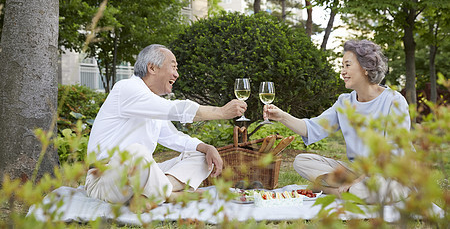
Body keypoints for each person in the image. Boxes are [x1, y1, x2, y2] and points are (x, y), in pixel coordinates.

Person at [85, 44, 247, 209]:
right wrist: (220, 112)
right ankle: (171, 195)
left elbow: (173, 137)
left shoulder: (152, 101)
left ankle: (155, 194)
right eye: (174, 66)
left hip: (138, 178)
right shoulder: (126, 88)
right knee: (136, 152)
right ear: (152, 68)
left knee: (201, 157)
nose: (177, 74)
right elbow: (175, 109)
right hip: (104, 179)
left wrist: (206, 147)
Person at [263, 39, 410, 204]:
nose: (342, 72)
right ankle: (349, 191)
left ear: (366, 68)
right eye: (342, 66)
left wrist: (358, 181)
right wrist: (282, 116)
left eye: (347, 65)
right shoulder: (344, 102)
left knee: (366, 188)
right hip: (356, 171)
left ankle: (331, 191)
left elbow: (393, 152)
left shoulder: (394, 101)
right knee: (302, 161)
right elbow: (311, 128)